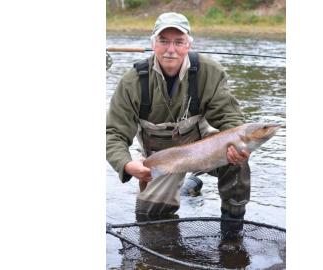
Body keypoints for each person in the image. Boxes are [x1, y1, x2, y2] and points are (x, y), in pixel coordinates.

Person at [106, 12, 251, 224]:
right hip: (161, 158)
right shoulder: (132, 82)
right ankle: (187, 186)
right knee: (149, 218)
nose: (171, 49)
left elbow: (229, 117)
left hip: (202, 148)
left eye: (178, 42)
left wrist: (237, 145)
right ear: (153, 43)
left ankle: (232, 229)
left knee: (237, 162)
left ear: (188, 45)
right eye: (163, 41)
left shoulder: (210, 72)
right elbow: (114, 133)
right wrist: (126, 164)